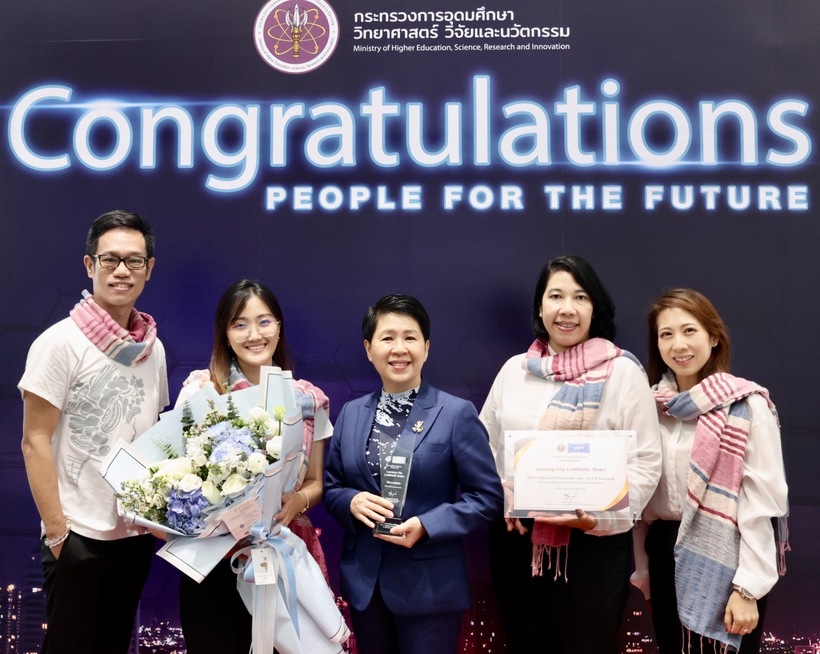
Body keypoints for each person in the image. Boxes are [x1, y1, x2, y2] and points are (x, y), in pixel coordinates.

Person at [479, 255, 662, 654]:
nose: (567, 308)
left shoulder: (623, 373)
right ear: (539, 307)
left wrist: (599, 518)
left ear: (595, 307)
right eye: (556, 296)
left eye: (580, 297)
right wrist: (503, 493)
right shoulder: (514, 371)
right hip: (518, 542)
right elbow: (483, 447)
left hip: (593, 548)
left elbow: (647, 462)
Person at [19, 210, 168, 654]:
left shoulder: (152, 349)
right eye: (110, 259)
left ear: (149, 269)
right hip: (78, 535)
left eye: (134, 260)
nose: (122, 270)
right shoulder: (59, 343)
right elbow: (34, 440)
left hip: (135, 533)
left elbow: (153, 435)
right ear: (90, 265)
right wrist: (58, 533)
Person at [323, 294, 503, 654]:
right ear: (368, 349)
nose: (399, 348)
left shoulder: (455, 414)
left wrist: (427, 525)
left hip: (431, 587)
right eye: (387, 338)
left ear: (426, 347)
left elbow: (487, 498)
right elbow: (332, 488)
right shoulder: (351, 413)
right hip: (366, 584)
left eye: (410, 337)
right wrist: (351, 501)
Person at [175, 279, 333, 654]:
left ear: (278, 326)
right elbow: (176, 473)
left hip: (280, 552)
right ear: (225, 333)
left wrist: (296, 502)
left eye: (264, 322)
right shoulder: (202, 391)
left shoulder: (308, 400)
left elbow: (315, 482)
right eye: (240, 324)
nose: (254, 335)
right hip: (213, 558)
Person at [633, 288, 788, 653]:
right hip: (665, 557)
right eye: (666, 334)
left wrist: (748, 588)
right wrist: (644, 574)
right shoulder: (648, 407)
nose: (678, 345)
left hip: (729, 560)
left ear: (714, 337)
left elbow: (763, 504)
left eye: (689, 331)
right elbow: (640, 499)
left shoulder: (747, 405)